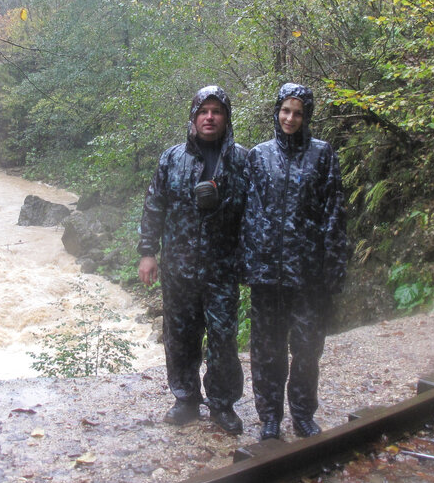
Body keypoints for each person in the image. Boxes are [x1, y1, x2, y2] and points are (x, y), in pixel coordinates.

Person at [138, 86, 248, 435]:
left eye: (216, 111)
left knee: (223, 338)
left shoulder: (242, 160)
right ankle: (185, 399)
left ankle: (222, 404)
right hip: (178, 269)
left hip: (223, 268)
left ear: (226, 118)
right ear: (193, 117)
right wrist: (147, 252)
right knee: (181, 337)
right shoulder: (171, 159)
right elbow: (154, 206)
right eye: (203, 111)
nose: (209, 117)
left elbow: (254, 214)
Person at [240, 83, 348, 441]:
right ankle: (270, 416)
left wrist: (333, 267)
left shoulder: (323, 155)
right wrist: (249, 265)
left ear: (307, 116)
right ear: (276, 112)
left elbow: (334, 213)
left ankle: (302, 413)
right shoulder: (259, 156)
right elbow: (248, 215)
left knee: (306, 347)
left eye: (298, 112)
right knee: (267, 349)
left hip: (307, 274)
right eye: (285, 111)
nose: (290, 118)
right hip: (267, 275)